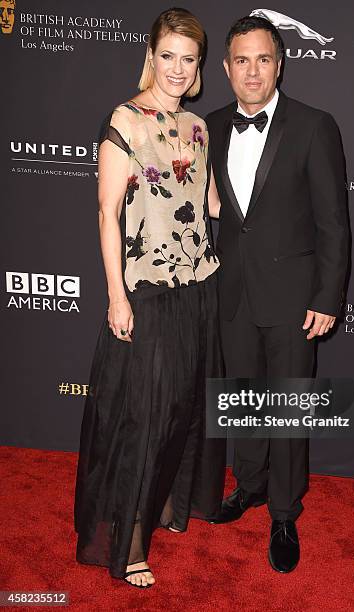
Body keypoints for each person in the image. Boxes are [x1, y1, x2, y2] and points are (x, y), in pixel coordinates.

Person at [74, 8, 225, 588]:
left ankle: (165, 506)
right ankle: (129, 542)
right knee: (145, 419)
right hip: (148, 291)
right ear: (151, 55)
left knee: (182, 412)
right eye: (169, 56)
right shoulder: (126, 120)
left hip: (197, 288)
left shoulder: (197, 129)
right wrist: (117, 295)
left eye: (189, 59)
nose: (178, 69)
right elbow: (107, 214)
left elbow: (211, 205)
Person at [206, 16, 349, 573]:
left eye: (263, 59)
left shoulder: (315, 125)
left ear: (280, 64)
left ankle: (285, 513)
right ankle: (250, 487)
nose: (252, 71)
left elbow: (333, 222)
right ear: (226, 67)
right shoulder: (211, 125)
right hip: (233, 290)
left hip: (294, 296)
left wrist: (328, 296)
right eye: (242, 60)